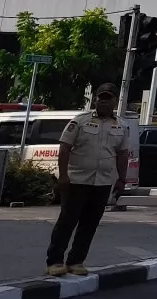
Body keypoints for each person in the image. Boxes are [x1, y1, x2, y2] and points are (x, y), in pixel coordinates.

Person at [44, 84, 132, 278]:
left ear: (115, 101)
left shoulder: (121, 125)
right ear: (95, 100)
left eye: (108, 98)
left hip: (102, 182)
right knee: (67, 221)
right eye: (100, 97)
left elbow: (122, 154)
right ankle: (55, 261)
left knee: (90, 223)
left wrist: (121, 180)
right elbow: (65, 147)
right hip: (76, 180)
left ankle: (76, 261)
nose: (103, 101)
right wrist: (63, 176)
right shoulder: (80, 121)